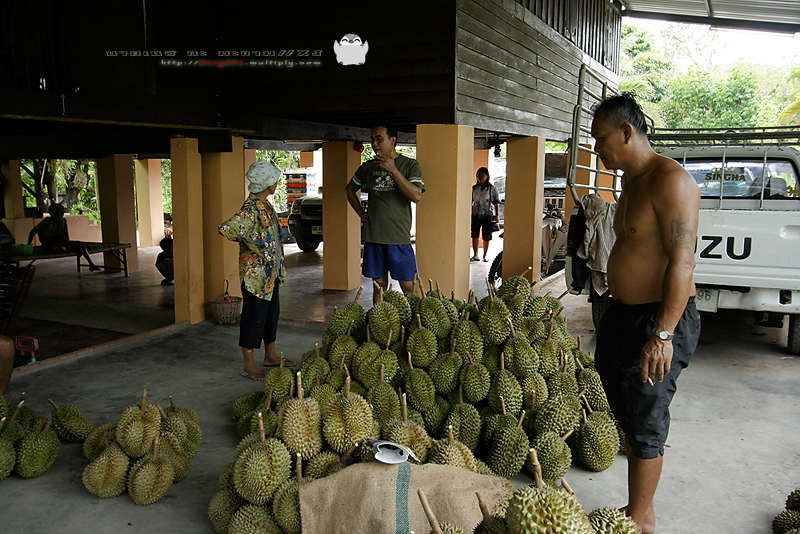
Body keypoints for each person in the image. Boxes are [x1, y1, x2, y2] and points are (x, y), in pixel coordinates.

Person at [590, 93, 701, 534]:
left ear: (626, 132)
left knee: (647, 417)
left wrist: (664, 334)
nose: (597, 148)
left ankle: (641, 520)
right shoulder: (630, 182)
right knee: (627, 410)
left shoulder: (670, 180)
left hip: (659, 319)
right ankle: (640, 509)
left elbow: (683, 261)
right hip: (625, 314)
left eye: (600, 138)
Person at [219, 160, 294, 381]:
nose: (277, 183)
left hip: (271, 274)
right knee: (253, 317)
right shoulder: (251, 209)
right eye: (275, 180)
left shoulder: (266, 206)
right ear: (267, 183)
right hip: (255, 277)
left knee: (271, 315)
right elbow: (226, 228)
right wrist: (251, 243)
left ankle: (270, 355)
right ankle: (249, 363)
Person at [346, 123, 425, 304]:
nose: (374, 143)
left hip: (398, 238)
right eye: (372, 139)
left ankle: (417, 320)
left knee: (409, 287)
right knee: (379, 286)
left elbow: (416, 196)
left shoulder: (409, 165)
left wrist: (393, 170)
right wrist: (361, 213)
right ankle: (380, 321)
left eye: (379, 139)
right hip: (373, 237)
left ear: (392, 140)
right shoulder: (368, 167)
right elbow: (349, 190)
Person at [27, 203, 100, 271]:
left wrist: (68, 244)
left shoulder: (63, 221)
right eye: (56, 212)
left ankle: (91, 264)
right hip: (50, 244)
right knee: (60, 249)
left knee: (81, 244)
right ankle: (76, 249)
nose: (59, 214)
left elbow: (66, 237)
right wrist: (28, 246)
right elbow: (32, 232)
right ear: (51, 213)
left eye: (61, 212)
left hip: (61, 241)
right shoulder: (47, 222)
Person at [470, 167, 500, 262]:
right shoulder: (474, 188)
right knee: (474, 235)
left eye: (482, 175)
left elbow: (496, 202)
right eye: (478, 175)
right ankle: (475, 255)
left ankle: (485, 255)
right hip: (475, 214)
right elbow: (470, 201)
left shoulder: (492, 189)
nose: (480, 177)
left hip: (487, 215)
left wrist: (497, 215)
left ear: (487, 176)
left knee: (486, 236)